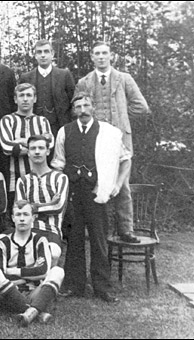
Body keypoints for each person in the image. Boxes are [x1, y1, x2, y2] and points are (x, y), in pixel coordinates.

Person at [51, 92, 131, 303]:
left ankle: (102, 287)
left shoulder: (109, 133)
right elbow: (58, 164)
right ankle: (74, 285)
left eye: (86, 105)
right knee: (74, 239)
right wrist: (63, 189)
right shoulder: (64, 132)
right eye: (78, 106)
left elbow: (126, 159)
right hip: (73, 194)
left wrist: (117, 184)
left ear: (93, 107)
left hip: (98, 193)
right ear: (74, 110)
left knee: (99, 240)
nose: (83, 110)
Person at [75, 41, 149, 244]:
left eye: (104, 53)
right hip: (94, 138)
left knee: (121, 184)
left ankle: (126, 230)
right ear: (91, 56)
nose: (101, 57)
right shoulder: (84, 82)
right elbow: (77, 108)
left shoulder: (124, 79)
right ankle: (98, 230)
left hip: (118, 138)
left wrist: (121, 118)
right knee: (95, 181)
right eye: (97, 53)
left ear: (111, 56)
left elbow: (142, 107)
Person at [0, 200, 65, 327]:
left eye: (25, 214)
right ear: (13, 218)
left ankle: (28, 312)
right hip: (9, 294)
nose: (22, 219)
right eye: (18, 215)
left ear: (33, 218)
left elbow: (43, 271)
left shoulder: (40, 240)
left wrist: (14, 271)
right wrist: (31, 272)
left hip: (34, 292)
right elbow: (1, 273)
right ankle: (36, 311)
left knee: (58, 271)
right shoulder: (2, 242)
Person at [15, 134, 68, 267]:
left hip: (51, 230)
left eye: (41, 148)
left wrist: (31, 207)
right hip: (27, 229)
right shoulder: (23, 180)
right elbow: (21, 210)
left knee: (53, 252)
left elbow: (58, 207)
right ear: (28, 153)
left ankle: (48, 285)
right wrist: (49, 204)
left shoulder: (60, 178)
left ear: (48, 151)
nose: (37, 152)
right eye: (33, 148)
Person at [0, 83, 54, 208]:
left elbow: (49, 145)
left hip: (41, 178)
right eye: (21, 95)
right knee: (19, 215)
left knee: (40, 212)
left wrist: (20, 141)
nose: (25, 99)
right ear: (15, 99)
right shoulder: (7, 120)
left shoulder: (42, 121)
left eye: (29, 95)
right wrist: (37, 145)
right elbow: (8, 147)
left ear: (34, 99)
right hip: (16, 177)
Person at [18, 40, 75, 136]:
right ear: (35, 55)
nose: (43, 55)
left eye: (46, 51)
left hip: (59, 126)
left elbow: (72, 101)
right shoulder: (26, 77)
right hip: (33, 127)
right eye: (39, 52)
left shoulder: (64, 75)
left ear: (52, 54)